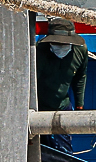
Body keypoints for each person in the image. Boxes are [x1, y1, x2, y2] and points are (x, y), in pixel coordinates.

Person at [36, 17, 89, 152]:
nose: (61, 47)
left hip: (63, 105)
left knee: (64, 150)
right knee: (38, 148)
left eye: (65, 44)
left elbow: (80, 78)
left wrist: (79, 105)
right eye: (57, 44)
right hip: (38, 106)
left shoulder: (80, 51)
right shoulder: (39, 52)